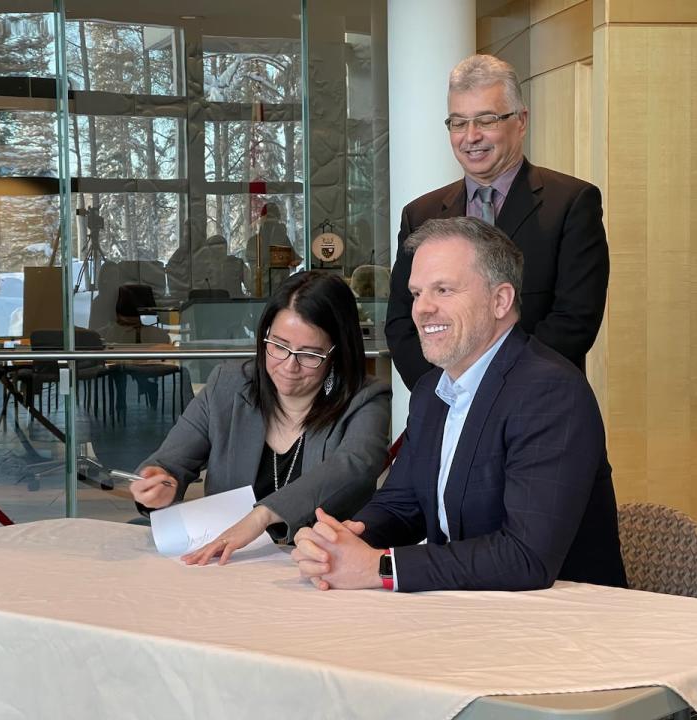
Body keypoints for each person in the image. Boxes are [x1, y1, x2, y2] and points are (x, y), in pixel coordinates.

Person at [292, 217, 626, 592]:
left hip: (564, 627)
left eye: (444, 290)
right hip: (467, 614)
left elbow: (526, 557)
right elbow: (403, 505)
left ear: (500, 300)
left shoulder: (551, 391)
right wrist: (341, 541)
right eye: (417, 293)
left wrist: (380, 568)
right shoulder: (432, 389)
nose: (422, 309)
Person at [131, 271, 392, 564]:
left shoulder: (366, 398)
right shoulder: (227, 386)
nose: (289, 366)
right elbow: (169, 464)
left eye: (309, 355)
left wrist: (262, 515)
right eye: (279, 346)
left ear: (337, 353)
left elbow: (355, 464)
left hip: (320, 569)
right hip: (228, 566)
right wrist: (158, 486)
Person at [386, 54, 609, 389]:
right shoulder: (421, 214)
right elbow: (402, 321)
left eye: (486, 120)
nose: (470, 136)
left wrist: (490, 388)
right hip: (446, 403)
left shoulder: (572, 203)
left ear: (520, 120)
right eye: (458, 123)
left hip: (537, 402)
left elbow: (574, 321)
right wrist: (446, 390)